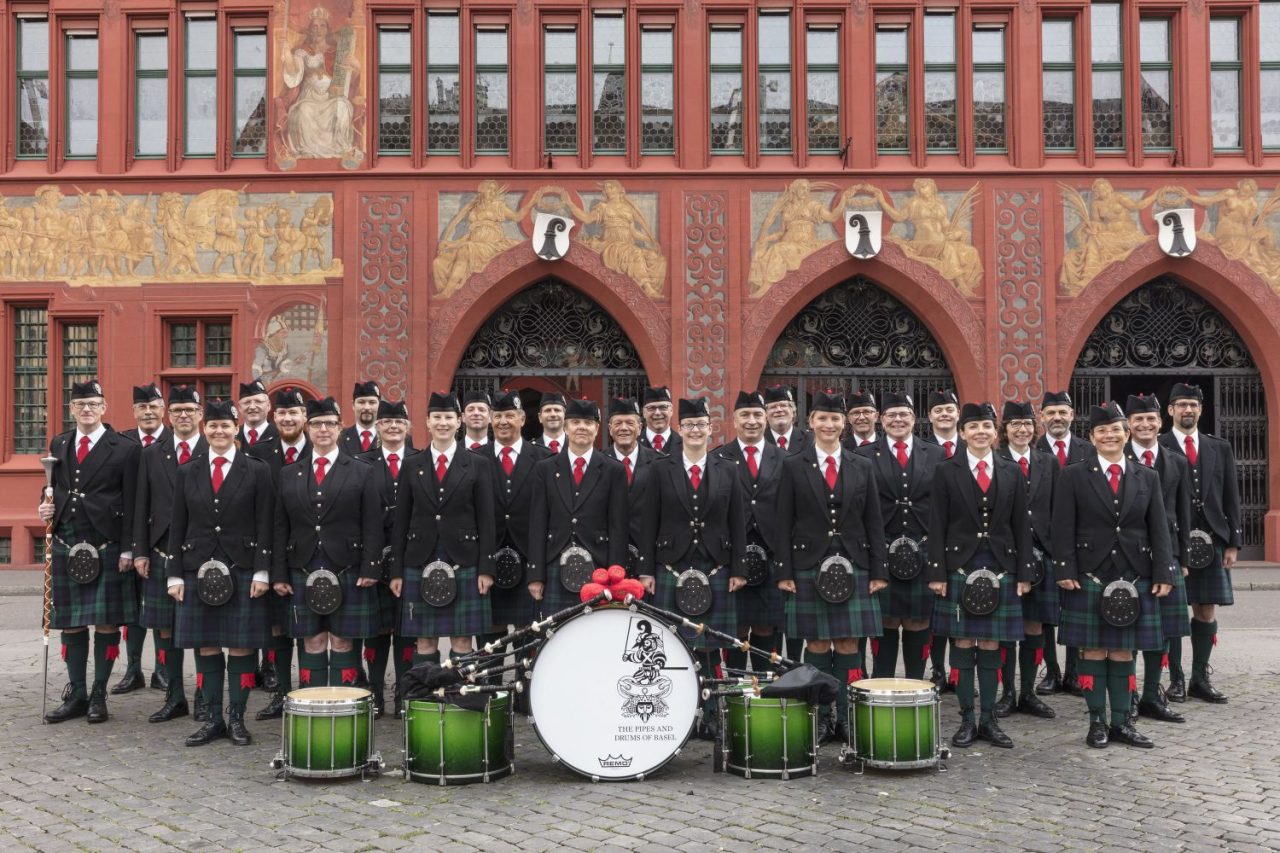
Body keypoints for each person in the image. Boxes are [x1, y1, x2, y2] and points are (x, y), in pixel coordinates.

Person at [1053, 401, 1174, 749]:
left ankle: (1122, 722)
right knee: (1092, 650)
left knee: (1124, 651)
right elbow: (1062, 525)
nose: (1110, 435)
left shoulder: (1146, 476)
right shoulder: (1073, 475)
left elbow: (1159, 528)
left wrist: (1163, 570)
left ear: (1127, 433)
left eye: (1116, 430)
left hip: (1134, 573)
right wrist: (1064, 568)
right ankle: (1096, 723)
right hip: (1089, 574)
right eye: (1102, 431)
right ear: (1092, 437)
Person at [775, 389, 887, 742]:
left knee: (849, 642)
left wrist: (879, 570)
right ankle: (822, 718)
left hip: (855, 563)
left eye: (835, 418)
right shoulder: (793, 465)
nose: (829, 424)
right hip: (809, 564)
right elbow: (783, 520)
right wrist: (784, 572)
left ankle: (846, 717)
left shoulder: (862, 465)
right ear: (810, 422)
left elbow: (874, 521)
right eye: (822, 418)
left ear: (844, 423)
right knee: (818, 643)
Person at [167, 399, 275, 746]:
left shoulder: (256, 470)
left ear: (236, 428)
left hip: (242, 568)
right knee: (206, 646)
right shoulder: (187, 471)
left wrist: (262, 572)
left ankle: (237, 719)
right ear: (205, 429)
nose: (219, 431)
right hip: (196, 569)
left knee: (241, 646)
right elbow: (177, 524)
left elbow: (266, 524)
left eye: (225, 425)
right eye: (213, 426)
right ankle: (213, 719)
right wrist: (174, 575)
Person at [927, 402, 1034, 749]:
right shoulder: (946, 470)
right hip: (959, 566)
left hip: (1001, 565)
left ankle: (988, 719)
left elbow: (1021, 525)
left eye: (986, 426)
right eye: (973, 427)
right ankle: (967, 719)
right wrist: (937, 572)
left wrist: (1024, 571)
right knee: (961, 642)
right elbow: (937, 523)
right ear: (962, 433)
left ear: (994, 432)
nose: (980, 432)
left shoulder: (1011, 471)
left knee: (991, 643)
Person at [640, 397, 747, 739]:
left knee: (711, 646)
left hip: (715, 565)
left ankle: (712, 715)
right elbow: (648, 522)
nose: (695, 430)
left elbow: (738, 522)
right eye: (689, 425)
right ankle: (678, 715)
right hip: (671, 565)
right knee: (673, 644)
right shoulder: (660, 469)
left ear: (711, 429)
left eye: (701, 425)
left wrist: (738, 568)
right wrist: (646, 570)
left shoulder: (728, 468)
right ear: (680, 428)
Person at [39, 380, 141, 724]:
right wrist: (44, 505)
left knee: (106, 622)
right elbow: (53, 487)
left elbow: (135, 501)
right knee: (71, 622)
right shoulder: (60, 442)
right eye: (80, 404)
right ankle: (77, 693)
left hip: (107, 542)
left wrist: (129, 549)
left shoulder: (125, 448)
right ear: (71, 409)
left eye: (93, 403)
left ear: (104, 408)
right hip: (67, 540)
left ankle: (99, 693)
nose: (86, 409)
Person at [272, 398, 383, 695]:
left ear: (340, 428)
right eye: (317, 424)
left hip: (348, 565)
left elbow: (372, 523)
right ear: (307, 429)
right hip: (303, 565)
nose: (323, 429)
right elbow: (280, 527)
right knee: (312, 640)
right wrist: (279, 573)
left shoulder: (362, 471)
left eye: (330, 424)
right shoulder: (289, 473)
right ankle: (314, 703)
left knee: (343, 640)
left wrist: (371, 566)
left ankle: (343, 706)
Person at [388, 392, 496, 670]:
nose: (443, 423)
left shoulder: (478, 464)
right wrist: (397, 570)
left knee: (462, 639)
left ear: (459, 421)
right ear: (427, 422)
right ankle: (426, 693)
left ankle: (459, 694)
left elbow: (487, 520)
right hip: (419, 558)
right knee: (424, 640)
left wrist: (486, 568)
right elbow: (401, 520)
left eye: (448, 417)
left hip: (465, 559)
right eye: (437, 417)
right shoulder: (412, 464)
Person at [1159, 382, 1241, 703]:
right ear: (1171, 410)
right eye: (1181, 404)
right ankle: (1176, 680)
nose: (1188, 409)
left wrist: (1232, 542)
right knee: (1173, 612)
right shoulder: (1160, 445)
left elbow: (1231, 495)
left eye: (1193, 404)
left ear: (1201, 409)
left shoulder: (1219, 447)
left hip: (1212, 540)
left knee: (1205, 610)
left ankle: (1200, 678)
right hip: (1172, 543)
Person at [857, 392, 945, 680]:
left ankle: (916, 683)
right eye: (891, 415)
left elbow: (944, 504)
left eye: (904, 414)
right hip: (882, 549)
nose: (898, 420)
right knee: (885, 621)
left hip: (922, 549)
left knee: (918, 621)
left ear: (914, 418)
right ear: (881, 420)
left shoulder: (935, 453)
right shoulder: (864, 455)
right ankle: (882, 683)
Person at [134, 385, 206, 723]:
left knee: (205, 631)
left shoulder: (216, 446)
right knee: (164, 629)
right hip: (161, 549)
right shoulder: (152, 453)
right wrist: (140, 551)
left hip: (204, 554)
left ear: (200, 414)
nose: (183, 415)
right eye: (177, 410)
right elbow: (141, 504)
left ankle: (205, 697)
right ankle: (175, 696)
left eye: (189, 410)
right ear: (169, 414)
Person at [476, 390, 552, 705]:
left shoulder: (543, 458)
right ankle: (489, 695)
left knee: (527, 633)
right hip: (489, 560)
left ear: (522, 419)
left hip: (527, 557)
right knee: (489, 637)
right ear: (490, 420)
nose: (504, 421)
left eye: (510, 416)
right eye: (498, 416)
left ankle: (525, 698)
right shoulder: (475, 458)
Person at [527, 399, 629, 615]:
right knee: (555, 631)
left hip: (599, 566)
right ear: (565, 427)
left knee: (596, 630)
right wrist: (536, 575)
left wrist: (616, 575)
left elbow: (618, 527)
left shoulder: (613, 470)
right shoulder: (545, 469)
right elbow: (537, 524)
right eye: (575, 422)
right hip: (555, 562)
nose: (581, 427)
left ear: (597, 429)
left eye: (588, 423)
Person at [1125, 394, 1192, 723]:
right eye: (1138, 419)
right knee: (1127, 629)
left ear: (1160, 422)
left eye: (1150, 418)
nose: (1145, 424)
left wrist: (1183, 557)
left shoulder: (1176, 461)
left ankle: (1152, 694)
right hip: (1128, 554)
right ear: (1128, 425)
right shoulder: (1117, 456)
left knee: (1162, 630)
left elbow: (1184, 512)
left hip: (1167, 554)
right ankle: (1128, 696)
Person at [993, 400, 1059, 720]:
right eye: (1015, 424)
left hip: (1042, 554)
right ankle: (1007, 693)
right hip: (1006, 555)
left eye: (1027, 424)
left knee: (1035, 625)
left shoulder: (1049, 462)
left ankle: (1029, 692)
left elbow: (1059, 508)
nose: (1022, 430)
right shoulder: (995, 460)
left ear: (1035, 429)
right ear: (1004, 430)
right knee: (1008, 627)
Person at [249, 386, 311, 719]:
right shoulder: (258, 452)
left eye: (294, 412)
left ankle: (307, 691)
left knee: (308, 627)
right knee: (276, 628)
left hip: (310, 553)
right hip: (271, 549)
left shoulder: (321, 446)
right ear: (274, 417)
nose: (288, 419)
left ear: (304, 416)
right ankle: (281, 693)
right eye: (283, 413)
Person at [716, 391, 786, 675]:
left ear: (766, 419)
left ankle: (766, 688)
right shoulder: (718, 457)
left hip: (771, 555)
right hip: (733, 556)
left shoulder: (784, 458)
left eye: (757, 414)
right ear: (734, 420)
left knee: (767, 626)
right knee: (736, 627)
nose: (752, 421)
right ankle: (734, 690)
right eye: (745, 415)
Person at [356, 398, 415, 717]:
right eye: (387, 422)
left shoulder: (420, 459)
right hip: (374, 556)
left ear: (408, 427)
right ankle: (375, 692)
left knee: (407, 629)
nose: (393, 426)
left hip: (411, 556)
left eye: (399, 422)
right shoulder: (362, 463)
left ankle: (404, 693)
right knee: (376, 631)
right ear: (377, 427)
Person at [1035, 389, 1092, 697]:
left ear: (1072, 415)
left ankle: (1074, 672)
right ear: (1041, 417)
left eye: (1062, 412)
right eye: (1051, 413)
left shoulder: (1089, 449)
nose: (1057, 417)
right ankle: (1051, 671)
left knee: (1075, 609)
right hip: (1043, 542)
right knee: (1046, 614)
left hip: (1080, 542)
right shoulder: (1032, 448)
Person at [113, 383, 168, 695]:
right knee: (132, 609)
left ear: (163, 410)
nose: (148, 412)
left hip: (161, 539)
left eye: (154, 406)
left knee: (160, 610)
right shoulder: (122, 443)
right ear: (134, 411)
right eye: (142, 407)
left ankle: (163, 670)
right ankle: (133, 669)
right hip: (127, 535)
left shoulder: (175, 441)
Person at [921, 388, 963, 689]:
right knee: (935, 611)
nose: (944, 414)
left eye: (949, 409)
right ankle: (938, 669)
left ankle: (959, 672)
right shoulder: (923, 450)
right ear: (929, 416)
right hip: (931, 537)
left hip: (963, 538)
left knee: (961, 611)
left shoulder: (973, 445)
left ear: (958, 414)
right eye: (938, 410)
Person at [607, 397, 660, 578]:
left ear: (640, 428)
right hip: (608, 553)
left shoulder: (659, 462)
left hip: (648, 552)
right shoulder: (598, 462)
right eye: (618, 423)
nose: (624, 428)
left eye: (630, 423)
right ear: (610, 429)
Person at [763, 384, 812, 456]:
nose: (779, 410)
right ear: (766, 414)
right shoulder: (759, 440)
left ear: (793, 411)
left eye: (783, 405)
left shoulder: (810, 440)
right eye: (773, 407)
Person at [340, 381, 382, 456]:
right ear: (353, 405)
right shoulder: (339, 438)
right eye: (361, 402)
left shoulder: (391, 437)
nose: (367, 407)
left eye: (372, 402)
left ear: (379, 405)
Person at [640, 386, 682, 455]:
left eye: (663, 407)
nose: (657, 413)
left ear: (671, 410)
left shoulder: (685, 444)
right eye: (651, 408)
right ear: (644, 412)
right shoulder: (634, 444)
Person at [237, 379, 277, 449]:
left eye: (258, 402)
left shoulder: (280, 436)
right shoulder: (232, 437)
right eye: (247, 402)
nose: (252, 407)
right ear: (239, 408)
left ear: (268, 406)